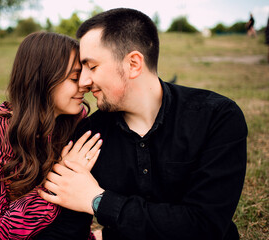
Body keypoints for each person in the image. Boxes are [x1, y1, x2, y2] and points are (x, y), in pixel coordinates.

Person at [38, 8, 248, 240]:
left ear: (134, 64)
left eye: (93, 66)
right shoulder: (89, 135)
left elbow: (204, 227)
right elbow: (68, 230)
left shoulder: (216, 117)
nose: (84, 82)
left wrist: (97, 200)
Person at [0, 32, 102, 239]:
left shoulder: (75, 121)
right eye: (75, 77)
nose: (85, 83)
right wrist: (61, 178)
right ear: (43, 79)